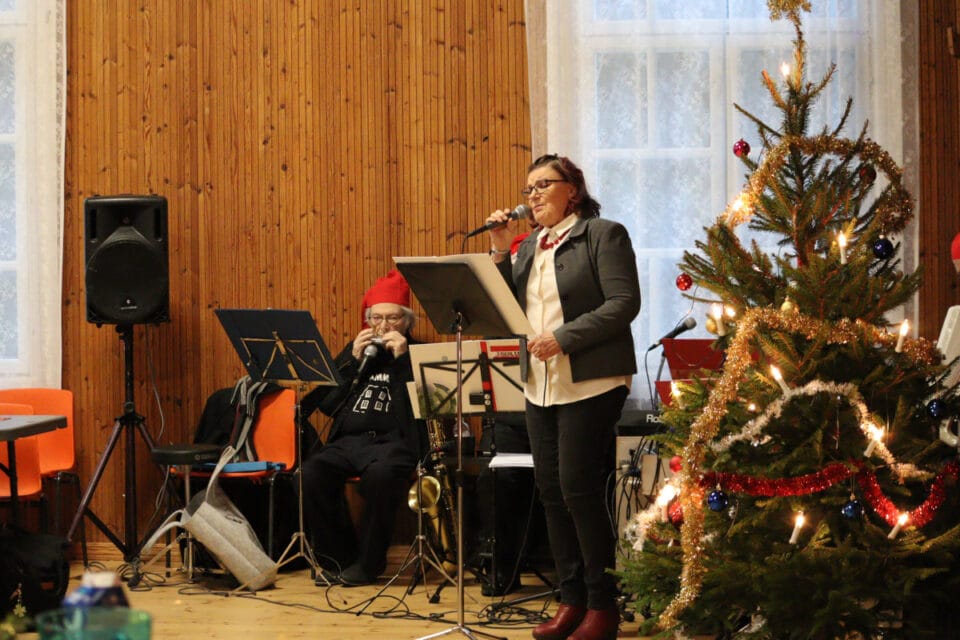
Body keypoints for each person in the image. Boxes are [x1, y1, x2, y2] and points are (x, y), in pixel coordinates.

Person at [485, 154, 641, 640]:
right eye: (528, 187)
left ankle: (603, 606)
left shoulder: (603, 234)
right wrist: (499, 250)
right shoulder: (530, 245)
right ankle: (571, 600)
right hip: (540, 383)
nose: (532, 194)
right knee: (551, 491)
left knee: (578, 488)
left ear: (572, 189)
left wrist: (563, 338)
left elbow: (624, 303)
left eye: (543, 184)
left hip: (592, 380)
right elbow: (508, 310)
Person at [300, 269, 422, 587]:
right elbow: (328, 405)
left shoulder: (417, 354)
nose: (383, 326)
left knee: (382, 477)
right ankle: (338, 559)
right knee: (312, 473)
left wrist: (402, 361)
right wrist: (353, 361)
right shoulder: (355, 352)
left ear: (407, 322)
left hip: (394, 444)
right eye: (376, 318)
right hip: (349, 442)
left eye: (392, 318)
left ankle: (369, 564)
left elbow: (423, 410)